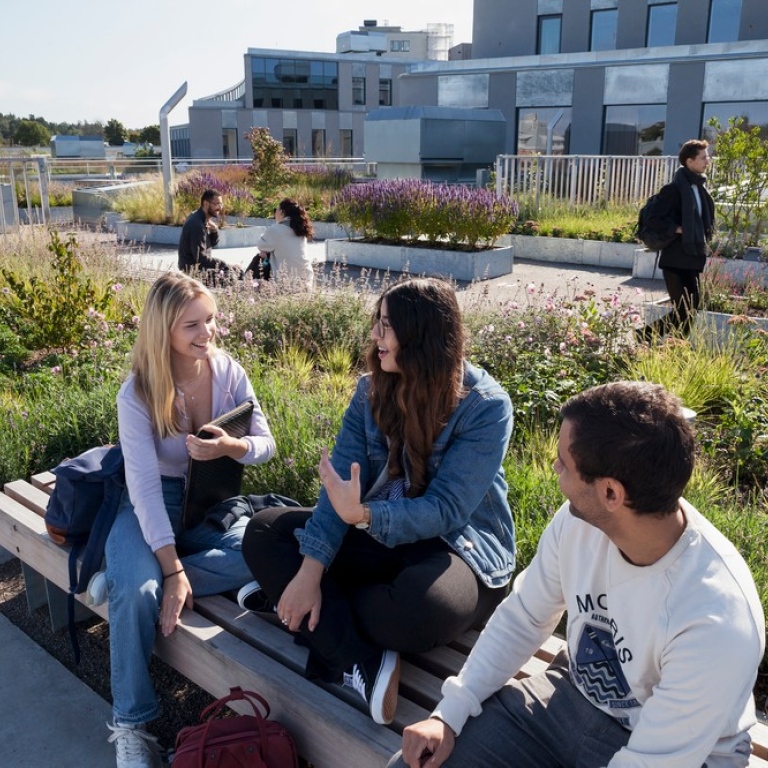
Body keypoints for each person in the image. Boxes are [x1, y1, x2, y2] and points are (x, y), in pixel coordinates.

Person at [391, 381, 765, 768]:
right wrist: (448, 714)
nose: (555, 469)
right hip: (572, 701)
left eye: (563, 464)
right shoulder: (579, 524)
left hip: (681, 755)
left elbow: (651, 763)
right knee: (415, 764)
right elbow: (524, 617)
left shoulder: (714, 619)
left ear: (610, 494)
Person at [239, 277, 515, 725]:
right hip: (378, 533)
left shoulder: (485, 406)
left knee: (423, 612)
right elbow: (338, 492)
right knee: (264, 531)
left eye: (386, 327)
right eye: (377, 324)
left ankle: (295, 603)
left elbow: (447, 510)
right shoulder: (370, 390)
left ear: (420, 335)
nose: (375, 337)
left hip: (457, 548)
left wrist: (364, 515)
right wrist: (310, 572)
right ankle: (358, 660)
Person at [101, 273, 276, 768]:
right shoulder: (136, 393)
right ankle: (132, 727)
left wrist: (231, 446)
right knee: (138, 594)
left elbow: (267, 445)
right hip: (147, 504)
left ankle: (128, 577)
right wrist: (173, 569)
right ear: (163, 331)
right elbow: (144, 489)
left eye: (212, 320)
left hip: (208, 505)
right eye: (192, 325)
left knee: (260, 552)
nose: (208, 333)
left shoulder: (228, 372)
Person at [642, 139, 715, 340]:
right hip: (675, 259)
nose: (707, 161)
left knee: (691, 308)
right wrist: (677, 228)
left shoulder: (699, 188)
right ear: (690, 162)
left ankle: (670, 346)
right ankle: (646, 337)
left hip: (692, 257)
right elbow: (653, 219)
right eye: (703, 157)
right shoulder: (674, 190)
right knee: (684, 309)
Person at [244, 198, 315, 289]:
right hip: (306, 282)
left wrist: (265, 251)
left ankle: (246, 283)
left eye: (275, 210)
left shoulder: (276, 229)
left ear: (281, 212)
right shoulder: (300, 230)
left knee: (259, 257)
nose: (274, 214)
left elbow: (261, 245)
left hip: (285, 282)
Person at [178, 189, 239, 281]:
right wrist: (223, 264)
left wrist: (214, 231)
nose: (219, 208)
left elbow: (210, 245)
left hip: (201, 268)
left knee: (237, 270)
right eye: (216, 204)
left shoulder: (200, 219)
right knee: (233, 277)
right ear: (206, 204)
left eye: (221, 204)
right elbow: (200, 258)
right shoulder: (196, 225)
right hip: (193, 272)